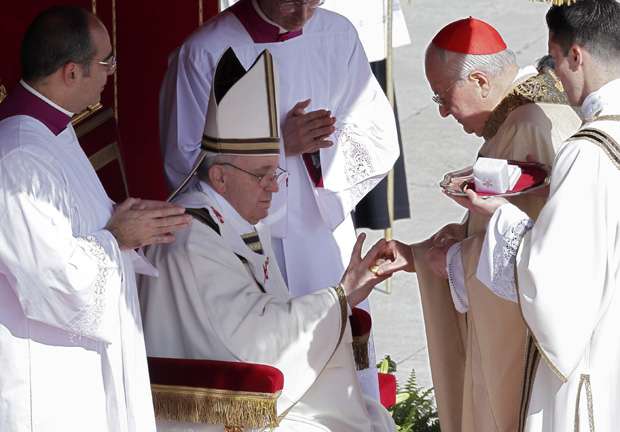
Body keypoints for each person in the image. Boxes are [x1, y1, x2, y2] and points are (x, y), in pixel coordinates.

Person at [141, 48, 395, 431]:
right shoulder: (193, 238)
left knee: (370, 417)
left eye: (275, 172)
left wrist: (341, 299)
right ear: (220, 177)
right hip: (212, 409)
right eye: (261, 175)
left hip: (246, 380)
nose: (273, 188)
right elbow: (253, 339)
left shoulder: (233, 216)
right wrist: (341, 297)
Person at [376, 17, 581, 432]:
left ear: (482, 81)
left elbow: (534, 261)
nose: (442, 112)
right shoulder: (525, 116)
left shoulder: (527, 127)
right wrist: (429, 251)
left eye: (444, 96)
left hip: (526, 357)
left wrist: (452, 260)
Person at [0, 6, 191, 431]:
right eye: (107, 61)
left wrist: (126, 223)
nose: (112, 72)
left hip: (74, 359)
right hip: (45, 373)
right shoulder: (20, 156)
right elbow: (49, 279)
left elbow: (89, 229)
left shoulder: (54, 133)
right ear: (72, 72)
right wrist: (119, 235)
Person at [451, 1, 620, 430]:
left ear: (576, 56)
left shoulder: (588, 152)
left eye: (555, 60)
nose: (553, 76)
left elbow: (554, 283)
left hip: (595, 359)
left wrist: (499, 215)